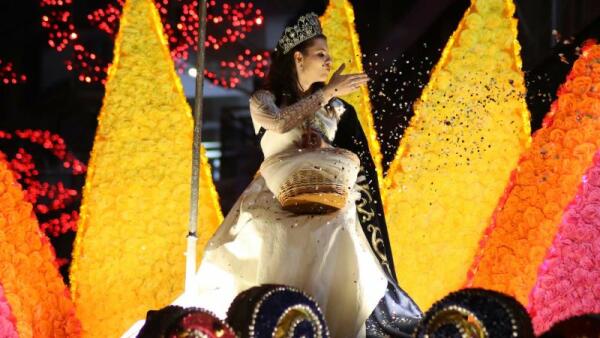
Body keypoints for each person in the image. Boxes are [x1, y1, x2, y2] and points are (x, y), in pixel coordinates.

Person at [123, 13, 421, 338]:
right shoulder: (263, 100)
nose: (329, 61)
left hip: (324, 203)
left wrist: (320, 140)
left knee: (336, 243)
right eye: (321, 54)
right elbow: (279, 123)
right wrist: (328, 92)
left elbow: (338, 152)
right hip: (271, 202)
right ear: (298, 57)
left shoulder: (334, 110)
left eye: (328, 56)